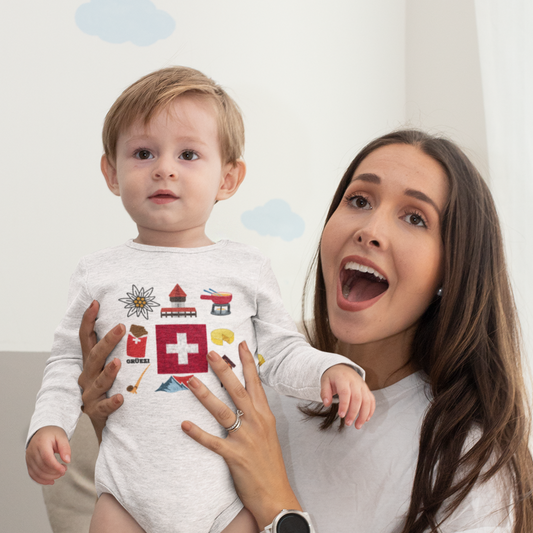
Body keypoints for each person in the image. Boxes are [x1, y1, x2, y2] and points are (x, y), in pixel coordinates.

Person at [76, 129, 533, 532]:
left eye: (415, 217)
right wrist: (118, 424)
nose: (370, 230)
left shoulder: (471, 459)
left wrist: (276, 502)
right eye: (358, 200)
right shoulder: (252, 370)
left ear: (452, 271)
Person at [25, 66, 375, 533]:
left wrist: (330, 370)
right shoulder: (98, 272)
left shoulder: (246, 268)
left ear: (228, 179)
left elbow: (279, 352)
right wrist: (48, 425)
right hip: (126, 494)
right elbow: (69, 360)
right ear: (111, 172)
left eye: (188, 154)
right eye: (143, 153)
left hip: (227, 497)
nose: (164, 168)